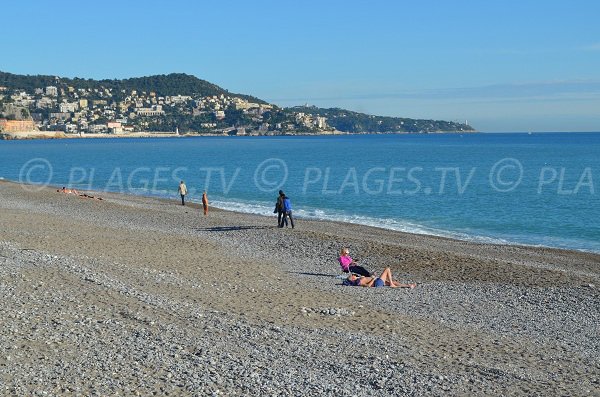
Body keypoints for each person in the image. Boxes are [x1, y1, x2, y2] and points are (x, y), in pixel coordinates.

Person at [343, 267, 416, 288]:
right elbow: (368, 286)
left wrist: (372, 277)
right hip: (377, 283)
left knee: (394, 281)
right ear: (352, 278)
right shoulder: (359, 282)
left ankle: (408, 286)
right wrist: (373, 279)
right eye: (353, 275)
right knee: (387, 269)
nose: (354, 275)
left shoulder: (359, 279)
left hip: (377, 281)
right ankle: (391, 284)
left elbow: (367, 280)